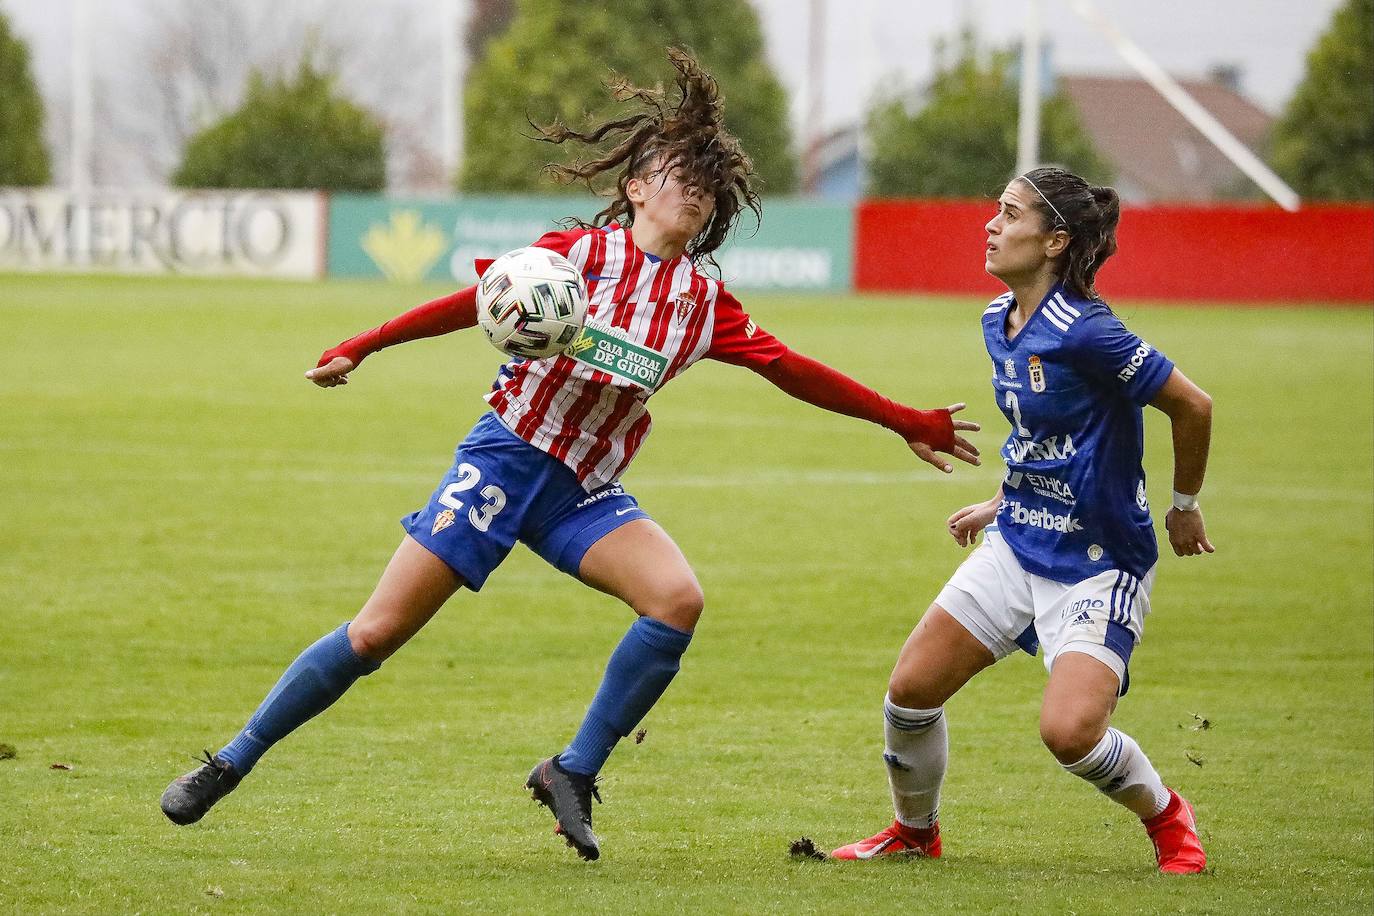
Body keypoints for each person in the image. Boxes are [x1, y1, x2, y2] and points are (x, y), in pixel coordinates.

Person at [157, 49, 980, 862]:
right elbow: (466, 304)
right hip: (504, 459)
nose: (692, 186)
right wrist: (364, 345)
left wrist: (904, 417)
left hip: (583, 488)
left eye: (706, 180)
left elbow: (796, 371)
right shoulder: (572, 259)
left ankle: (572, 771)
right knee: (374, 635)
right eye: (674, 171)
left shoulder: (701, 304)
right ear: (634, 186)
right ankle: (232, 760)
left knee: (676, 601)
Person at [828, 167, 1214, 874]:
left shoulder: (1091, 333)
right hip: (1020, 542)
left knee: (1070, 735)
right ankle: (915, 833)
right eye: (995, 212)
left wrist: (1183, 506)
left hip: (1099, 562)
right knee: (909, 693)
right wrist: (1003, 502)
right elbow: (1050, 436)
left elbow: (1194, 404)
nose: (991, 225)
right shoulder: (995, 321)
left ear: (1055, 241)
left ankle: (1167, 817)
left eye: (1009, 215)